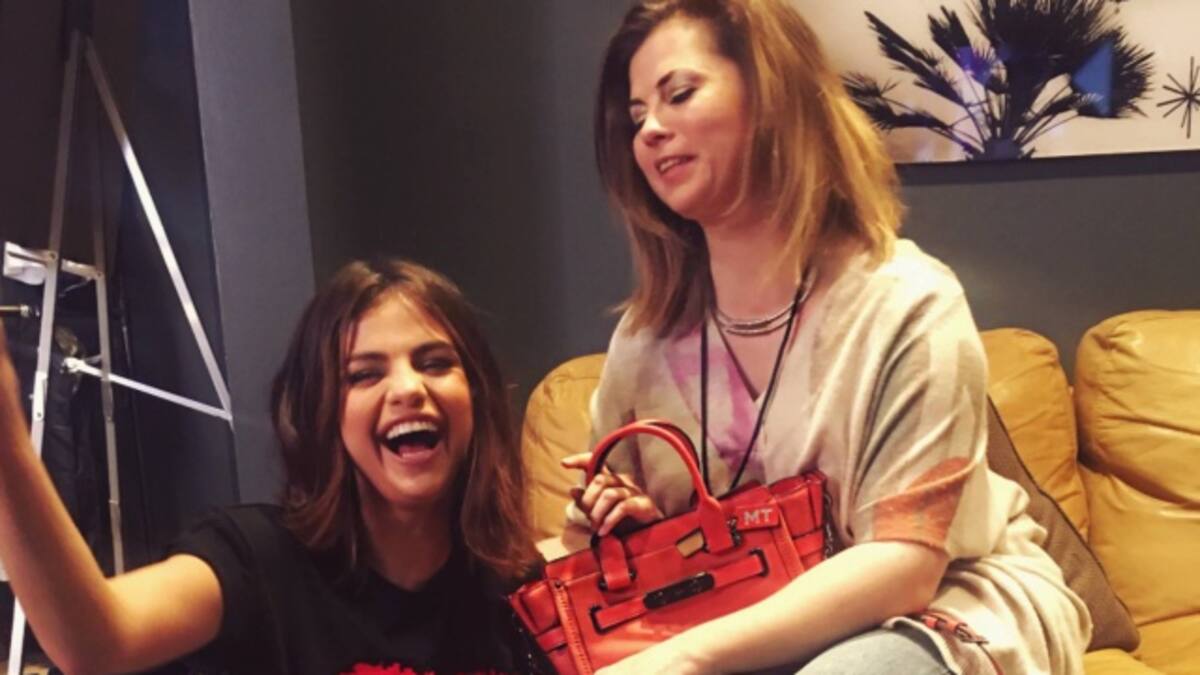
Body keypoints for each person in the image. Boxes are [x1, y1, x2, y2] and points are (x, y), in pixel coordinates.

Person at [560, 1, 1093, 673]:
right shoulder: (644, 342)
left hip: (940, 607)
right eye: (637, 117)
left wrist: (686, 657)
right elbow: (593, 554)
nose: (652, 130)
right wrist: (644, 533)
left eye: (680, 93)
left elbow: (903, 565)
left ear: (772, 95)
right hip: (739, 625)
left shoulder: (907, 302)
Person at [0, 259, 545, 674]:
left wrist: (601, 564)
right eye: (363, 375)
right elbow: (96, 640)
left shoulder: (519, 590)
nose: (408, 388)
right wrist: (8, 445)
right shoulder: (254, 561)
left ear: (477, 396)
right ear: (322, 412)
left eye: (435, 363)